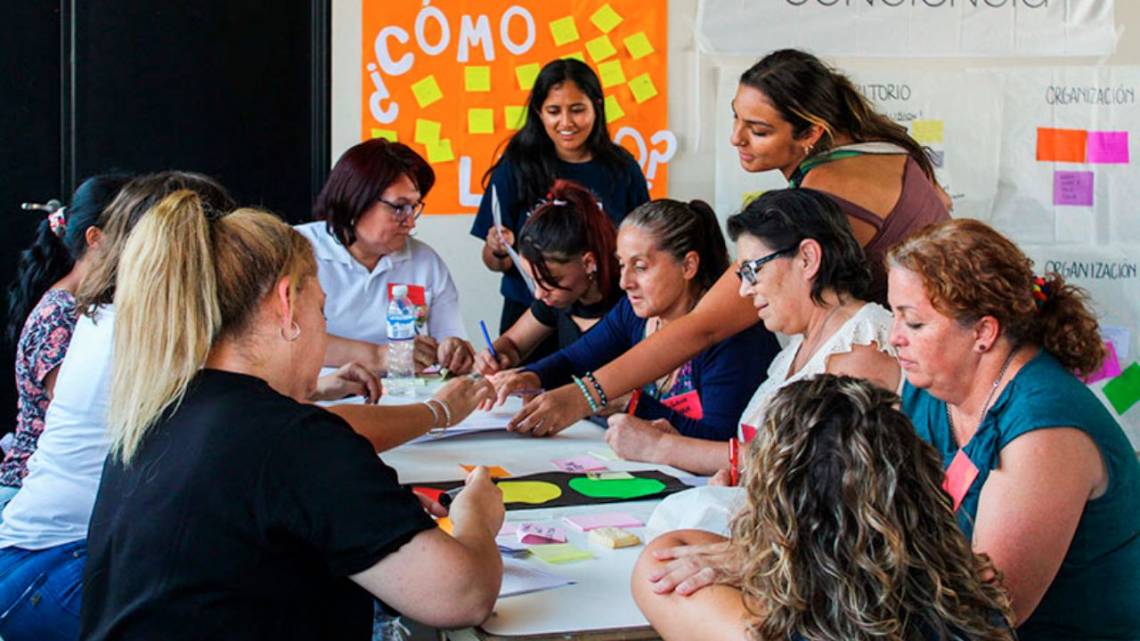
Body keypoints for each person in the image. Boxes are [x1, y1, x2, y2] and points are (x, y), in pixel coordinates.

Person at [80, 194, 503, 639]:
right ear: (286, 304)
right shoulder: (293, 439)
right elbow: (464, 595)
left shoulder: (159, 411)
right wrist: (477, 516)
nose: (323, 334)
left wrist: (372, 515)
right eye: (321, 311)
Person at [507, 48, 948, 434]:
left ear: (810, 133)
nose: (736, 137)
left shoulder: (824, 197)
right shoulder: (886, 151)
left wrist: (583, 396)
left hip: (916, 377)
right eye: (735, 116)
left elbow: (706, 325)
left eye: (757, 129)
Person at [887, 219, 1140, 640]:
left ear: (984, 332)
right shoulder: (929, 390)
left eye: (913, 323)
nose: (895, 337)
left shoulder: (1044, 429)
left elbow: (985, 615)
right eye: (895, 316)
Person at [633, 375, 1015, 641]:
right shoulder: (973, 606)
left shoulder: (776, 631)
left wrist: (760, 556)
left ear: (780, 514)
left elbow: (665, 558)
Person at [511, 189, 900, 445]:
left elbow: (799, 473)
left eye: (751, 271)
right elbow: (753, 455)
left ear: (809, 258)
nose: (744, 291)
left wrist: (652, 434)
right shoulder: (798, 347)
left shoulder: (859, 348)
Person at [491, 199, 779, 474]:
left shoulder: (732, 337)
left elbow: (722, 444)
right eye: (621, 264)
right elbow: (575, 358)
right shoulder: (635, 312)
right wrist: (531, 377)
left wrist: (630, 403)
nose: (624, 282)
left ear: (688, 266)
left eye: (640, 267)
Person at [471, 58, 649, 357]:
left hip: (603, 309)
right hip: (530, 311)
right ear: (539, 112)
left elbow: (644, 244)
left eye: (577, 110)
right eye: (554, 111)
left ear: (596, 107)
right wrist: (499, 248)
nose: (566, 123)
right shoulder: (517, 166)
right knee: (525, 387)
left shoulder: (621, 168)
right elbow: (495, 261)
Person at [1, 174, 129, 509]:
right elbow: (82, 418)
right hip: (31, 496)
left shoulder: (91, 307)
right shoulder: (60, 314)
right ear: (95, 238)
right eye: (132, 232)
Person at [299, 139, 476, 376]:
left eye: (414, 207)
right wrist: (381, 355)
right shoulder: (296, 252)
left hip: (400, 401)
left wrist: (455, 351)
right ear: (355, 201)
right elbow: (284, 340)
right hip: (315, 400)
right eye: (399, 207)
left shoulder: (425, 262)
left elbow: (451, 338)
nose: (411, 222)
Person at [475, 179, 622, 373]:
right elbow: (513, 343)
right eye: (533, 280)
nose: (538, 294)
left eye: (551, 281)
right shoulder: (559, 297)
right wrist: (497, 356)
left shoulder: (629, 304)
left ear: (588, 263)